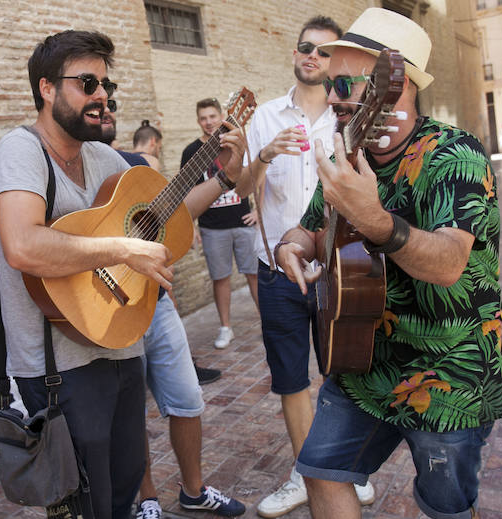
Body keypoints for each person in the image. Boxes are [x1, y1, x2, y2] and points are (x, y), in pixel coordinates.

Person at [0, 30, 249, 519]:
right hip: (58, 366)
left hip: (122, 341)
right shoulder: (20, 150)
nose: (102, 95)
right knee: (87, 501)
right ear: (46, 88)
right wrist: (124, 248)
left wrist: (225, 177)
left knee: (126, 482)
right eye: (87, 83)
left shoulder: (104, 157)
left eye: (106, 85)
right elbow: (22, 245)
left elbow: (167, 216)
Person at [275, 8, 502, 519]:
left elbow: (449, 263)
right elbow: (311, 228)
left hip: (446, 375)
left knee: (444, 508)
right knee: (318, 474)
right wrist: (290, 246)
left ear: (392, 84)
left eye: (342, 82)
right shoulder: (345, 154)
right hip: (361, 364)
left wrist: (378, 222)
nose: (331, 96)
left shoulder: (456, 155)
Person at [242, 16, 374, 518]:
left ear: (334, 60)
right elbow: (243, 185)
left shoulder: (351, 116)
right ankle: (305, 474)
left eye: (323, 51)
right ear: (294, 54)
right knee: (291, 380)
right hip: (276, 269)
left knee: (343, 375)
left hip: (340, 269)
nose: (312, 57)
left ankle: (344, 470)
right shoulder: (266, 116)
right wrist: (264, 156)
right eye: (305, 48)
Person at [99, 105, 245, 518]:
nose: (105, 106)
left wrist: (226, 176)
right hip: (112, 306)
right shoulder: (67, 172)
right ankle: (146, 498)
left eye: (110, 98)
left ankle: (194, 491)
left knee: (188, 399)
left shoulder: (134, 166)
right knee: (132, 413)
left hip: (157, 303)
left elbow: (176, 212)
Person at [182, 98, 259, 349]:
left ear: (221, 116)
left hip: (242, 220)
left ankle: (267, 321)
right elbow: (185, 193)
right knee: (221, 278)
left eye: (212, 116)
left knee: (254, 275)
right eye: (203, 118)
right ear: (198, 121)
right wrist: (191, 227)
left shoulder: (235, 142)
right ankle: (226, 328)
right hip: (212, 226)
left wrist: (259, 211)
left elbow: (256, 175)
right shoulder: (191, 152)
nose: (208, 122)